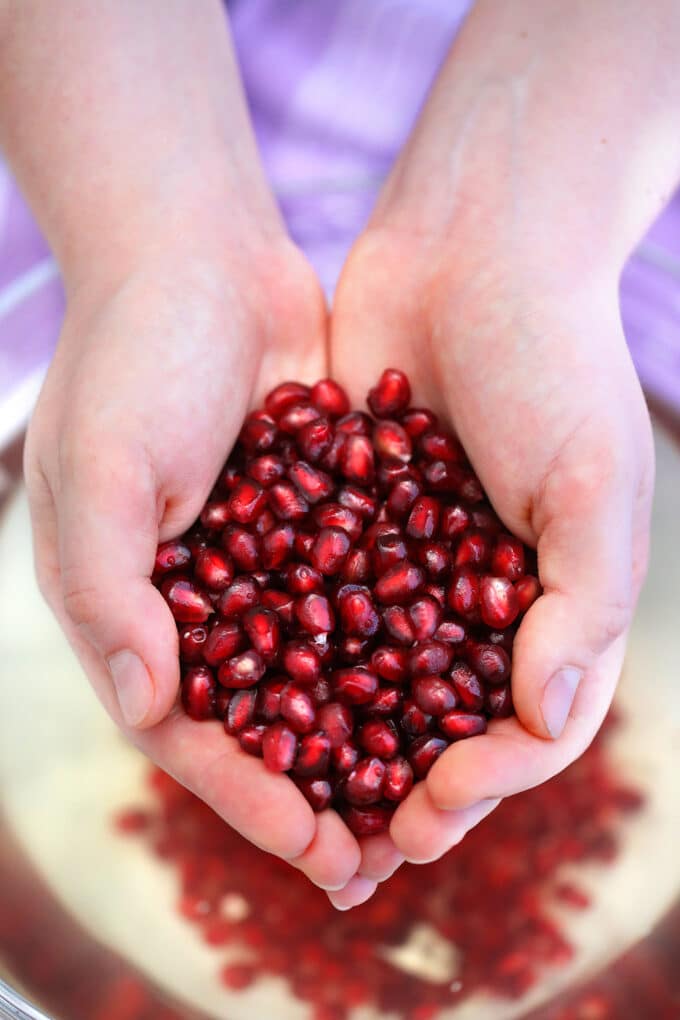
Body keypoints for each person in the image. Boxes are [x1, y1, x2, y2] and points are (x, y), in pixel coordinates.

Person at [1, 0, 678, 912]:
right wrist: (142, 246)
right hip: (108, 112)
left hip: (604, 146)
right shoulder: (363, 560)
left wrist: (530, 238)